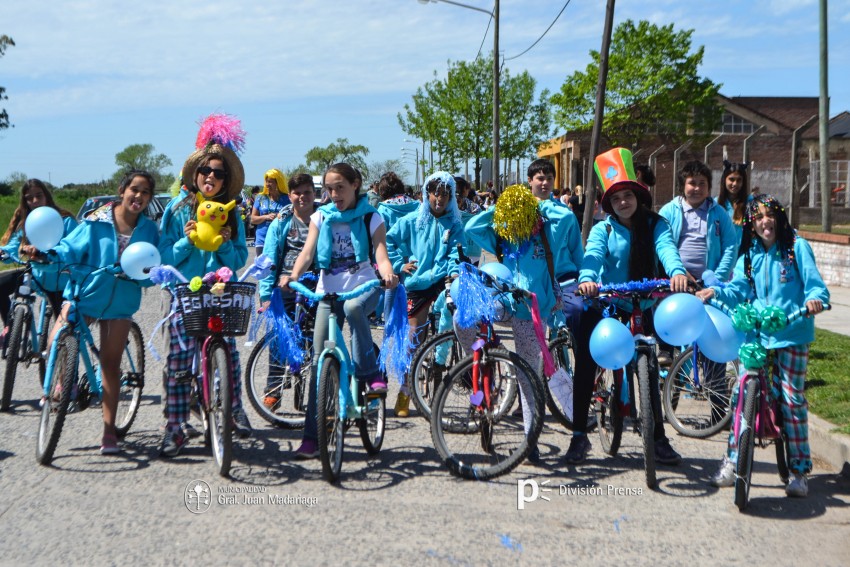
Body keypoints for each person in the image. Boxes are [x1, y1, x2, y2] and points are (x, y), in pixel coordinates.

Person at [697, 194, 829, 497]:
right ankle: (732, 460)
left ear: (779, 217)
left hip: (792, 332)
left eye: (769, 215)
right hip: (756, 334)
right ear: (751, 224)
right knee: (740, 393)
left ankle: (798, 470)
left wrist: (815, 299)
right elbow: (737, 291)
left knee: (792, 399)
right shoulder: (749, 255)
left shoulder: (796, 247)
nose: (764, 221)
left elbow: (815, 284)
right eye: (757, 217)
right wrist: (713, 292)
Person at [571, 147, 689, 466]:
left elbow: (667, 250)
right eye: (616, 198)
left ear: (638, 196)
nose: (623, 202)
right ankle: (579, 435)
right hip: (606, 303)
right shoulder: (603, 228)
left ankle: (658, 439)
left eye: (627, 195)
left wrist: (676, 272)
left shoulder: (656, 225)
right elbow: (593, 256)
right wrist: (588, 279)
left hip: (643, 304)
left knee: (648, 367)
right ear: (608, 203)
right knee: (585, 364)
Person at [279, 163, 398, 459]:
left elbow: (380, 254)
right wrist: (293, 276)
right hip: (328, 286)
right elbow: (307, 253)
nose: (334, 194)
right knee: (320, 361)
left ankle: (369, 374)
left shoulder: (372, 216)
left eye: (340, 188)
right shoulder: (321, 215)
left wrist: (388, 274)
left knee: (354, 306)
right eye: (329, 189)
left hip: (363, 284)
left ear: (355, 184)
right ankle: (312, 437)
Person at [463, 182, 583, 461]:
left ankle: (531, 440)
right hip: (505, 303)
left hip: (533, 313)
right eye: (514, 219)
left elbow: (565, 219)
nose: (520, 226)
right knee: (462, 318)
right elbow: (472, 229)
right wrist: (500, 207)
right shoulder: (503, 237)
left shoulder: (549, 234)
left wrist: (536, 205)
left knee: (529, 377)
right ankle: (486, 362)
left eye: (523, 218)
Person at [44, 170, 159, 454]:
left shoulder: (149, 230)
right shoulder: (96, 221)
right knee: (57, 336)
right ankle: (61, 383)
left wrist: (141, 276)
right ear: (122, 190)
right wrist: (51, 253)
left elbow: (151, 270)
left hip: (121, 303)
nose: (139, 196)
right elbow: (69, 248)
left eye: (145, 193)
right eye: (135, 189)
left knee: (110, 365)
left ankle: (109, 432)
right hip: (86, 295)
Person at [158, 114, 252, 457]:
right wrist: (186, 242)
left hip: (220, 291)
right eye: (206, 171)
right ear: (195, 175)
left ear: (225, 180)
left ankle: (233, 407)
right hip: (184, 291)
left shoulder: (232, 213)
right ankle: (176, 427)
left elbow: (240, 257)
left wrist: (226, 242)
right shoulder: (177, 209)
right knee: (180, 361)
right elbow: (165, 254)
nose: (211, 176)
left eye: (218, 172)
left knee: (226, 352)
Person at [386, 172, 464, 417]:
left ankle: (441, 372)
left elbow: (455, 254)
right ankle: (405, 389)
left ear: (451, 197)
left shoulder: (454, 224)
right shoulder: (412, 220)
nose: (439, 199)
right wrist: (400, 265)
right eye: (435, 193)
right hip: (417, 282)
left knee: (452, 326)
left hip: (444, 280)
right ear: (427, 194)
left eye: (445, 194)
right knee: (413, 337)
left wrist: (454, 274)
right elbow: (388, 241)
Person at [656, 160, 737, 365]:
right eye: (692, 183)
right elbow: (663, 244)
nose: (697, 188)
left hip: (709, 282)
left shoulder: (719, 213)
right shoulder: (669, 211)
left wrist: (717, 278)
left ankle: (713, 378)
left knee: (712, 329)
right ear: (683, 186)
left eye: (702, 183)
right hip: (677, 279)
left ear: (709, 187)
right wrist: (680, 272)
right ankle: (667, 353)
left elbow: (730, 246)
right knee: (674, 318)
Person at [258, 173, 317, 409]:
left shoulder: (325, 218)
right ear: (290, 195)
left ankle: (320, 392)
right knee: (278, 338)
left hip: (316, 287)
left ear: (315, 194)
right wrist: (265, 294)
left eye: (307, 192)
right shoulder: (282, 221)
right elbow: (269, 258)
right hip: (285, 286)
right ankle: (274, 388)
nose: (302, 197)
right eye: (297, 193)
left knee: (317, 340)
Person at [0, 179, 78, 347]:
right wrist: (3, 252)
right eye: (29, 198)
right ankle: (12, 329)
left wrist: (48, 253)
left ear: (46, 196)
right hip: (36, 276)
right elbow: (14, 246)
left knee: (64, 337)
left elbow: (74, 248)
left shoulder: (65, 220)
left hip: (60, 280)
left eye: (38, 196)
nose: (35, 201)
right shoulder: (27, 223)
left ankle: (63, 369)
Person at [373, 172, 419, 327]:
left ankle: (389, 324)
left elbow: (381, 235)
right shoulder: (416, 205)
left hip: (391, 255)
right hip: (413, 255)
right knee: (412, 291)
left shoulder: (383, 209)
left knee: (390, 288)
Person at [252, 169, 291, 255]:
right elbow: (253, 219)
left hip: (280, 238)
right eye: (266, 181)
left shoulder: (287, 198)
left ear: (278, 183)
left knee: (276, 266)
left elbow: (292, 217)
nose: (267, 184)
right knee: (262, 266)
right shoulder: (260, 198)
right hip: (262, 239)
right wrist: (266, 217)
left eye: (270, 182)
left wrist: (280, 216)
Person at [717, 160, 750, 249]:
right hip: (722, 255)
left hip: (744, 256)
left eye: (739, 180)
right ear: (724, 180)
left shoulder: (751, 203)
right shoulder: (715, 204)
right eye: (731, 179)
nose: (735, 184)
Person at [454, 176, 482, 265]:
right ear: (465, 190)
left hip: (455, 249)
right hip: (474, 249)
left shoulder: (449, 208)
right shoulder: (475, 208)